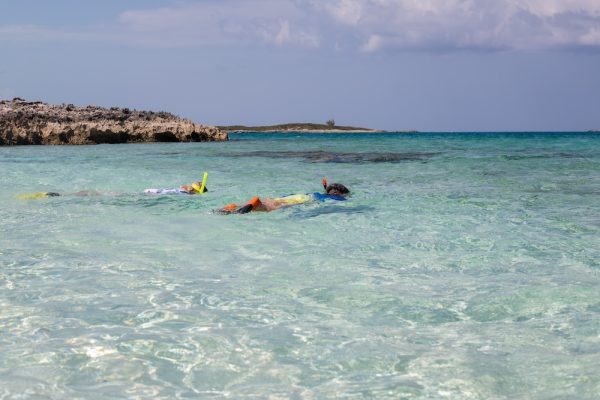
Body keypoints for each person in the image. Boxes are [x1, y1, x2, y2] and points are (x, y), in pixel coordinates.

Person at [220, 179, 350, 214]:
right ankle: (251, 204)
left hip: (300, 196)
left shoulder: (319, 193)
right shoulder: (332, 197)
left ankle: (231, 207)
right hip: (305, 199)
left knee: (273, 202)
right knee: (270, 206)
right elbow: (339, 199)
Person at [144, 172, 209, 195]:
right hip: (159, 193)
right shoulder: (187, 193)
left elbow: (182, 186)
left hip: (156, 190)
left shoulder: (184, 189)